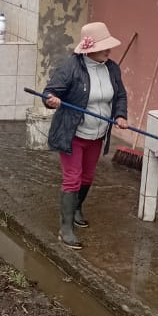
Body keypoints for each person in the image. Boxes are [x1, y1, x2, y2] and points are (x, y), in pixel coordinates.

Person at [44, 21, 128, 248]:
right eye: (103, 47)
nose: (108, 51)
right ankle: (65, 228)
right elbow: (50, 92)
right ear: (89, 48)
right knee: (73, 177)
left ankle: (77, 208)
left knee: (88, 176)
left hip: (97, 134)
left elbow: (120, 95)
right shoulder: (71, 67)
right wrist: (52, 100)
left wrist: (120, 116)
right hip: (73, 133)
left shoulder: (112, 68)